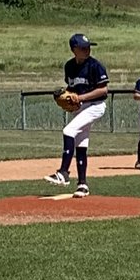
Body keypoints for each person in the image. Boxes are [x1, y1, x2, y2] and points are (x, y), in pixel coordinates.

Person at [45, 33, 109, 197]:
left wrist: (80, 98)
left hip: (96, 106)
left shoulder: (95, 66)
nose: (87, 50)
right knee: (81, 144)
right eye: (83, 48)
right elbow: (72, 88)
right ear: (74, 49)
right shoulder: (69, 66)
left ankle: (63, 173)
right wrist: (67, 96)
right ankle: (82, 184)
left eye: (88, 47)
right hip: (81, 108)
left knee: (68, 131)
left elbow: (103, 90)